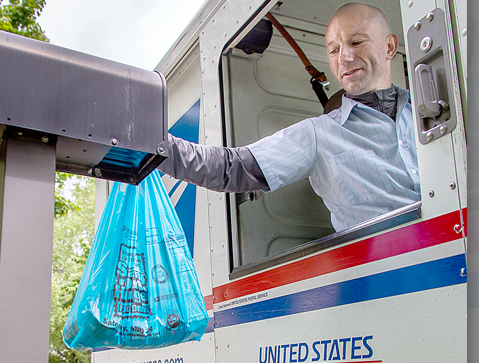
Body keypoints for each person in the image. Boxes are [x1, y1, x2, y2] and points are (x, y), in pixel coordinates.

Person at [158, 3, 420, 232]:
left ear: (389, 46)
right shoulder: (319, 134)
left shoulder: (429, 109)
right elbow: (232, 167)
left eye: (356, 42)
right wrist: (150, 142)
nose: (345, 58)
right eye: (334, 50)